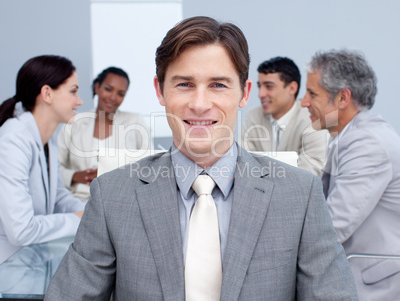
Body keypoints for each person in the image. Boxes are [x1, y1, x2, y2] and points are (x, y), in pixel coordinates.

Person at [45, 17, 358, 300]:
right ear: (160, 90)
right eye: (184, 84)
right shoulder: (111, 196)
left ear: (244, 93)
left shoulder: (300, 195)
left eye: (218, 85)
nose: (199, 103)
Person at [301, 49, 400, 300]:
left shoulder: (367, 143)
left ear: (342, 98)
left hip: (374, 284)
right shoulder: (350, 136)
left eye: (312, 93)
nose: (303, 102)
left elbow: (333, 225)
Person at [0, 55, 86, 264]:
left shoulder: (48, 139)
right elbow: (21, 231)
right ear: (47, 93)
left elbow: (58, 198)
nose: (80, 101)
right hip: (8, 266)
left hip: (29, 261)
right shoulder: (13, 139)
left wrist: (93, 212)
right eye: (73, 91)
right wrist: (77, 219)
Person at [58, 67, 150, 201]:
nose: (113, 97)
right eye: (108, 89)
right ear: (97, 88)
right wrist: (75, 176)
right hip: (78, 201)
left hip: (122, 200)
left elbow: (150, 166)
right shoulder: (73, 123)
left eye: (120, 94)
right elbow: (54, 170)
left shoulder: (135, 122)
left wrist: (113, 175)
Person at [241, 57, 328, 176]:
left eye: (269, 86)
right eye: (259, 86)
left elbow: (310, 173)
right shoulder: (253, 116)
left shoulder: (312, 117)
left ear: (292, 88)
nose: (260, 94)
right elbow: (244, 168)